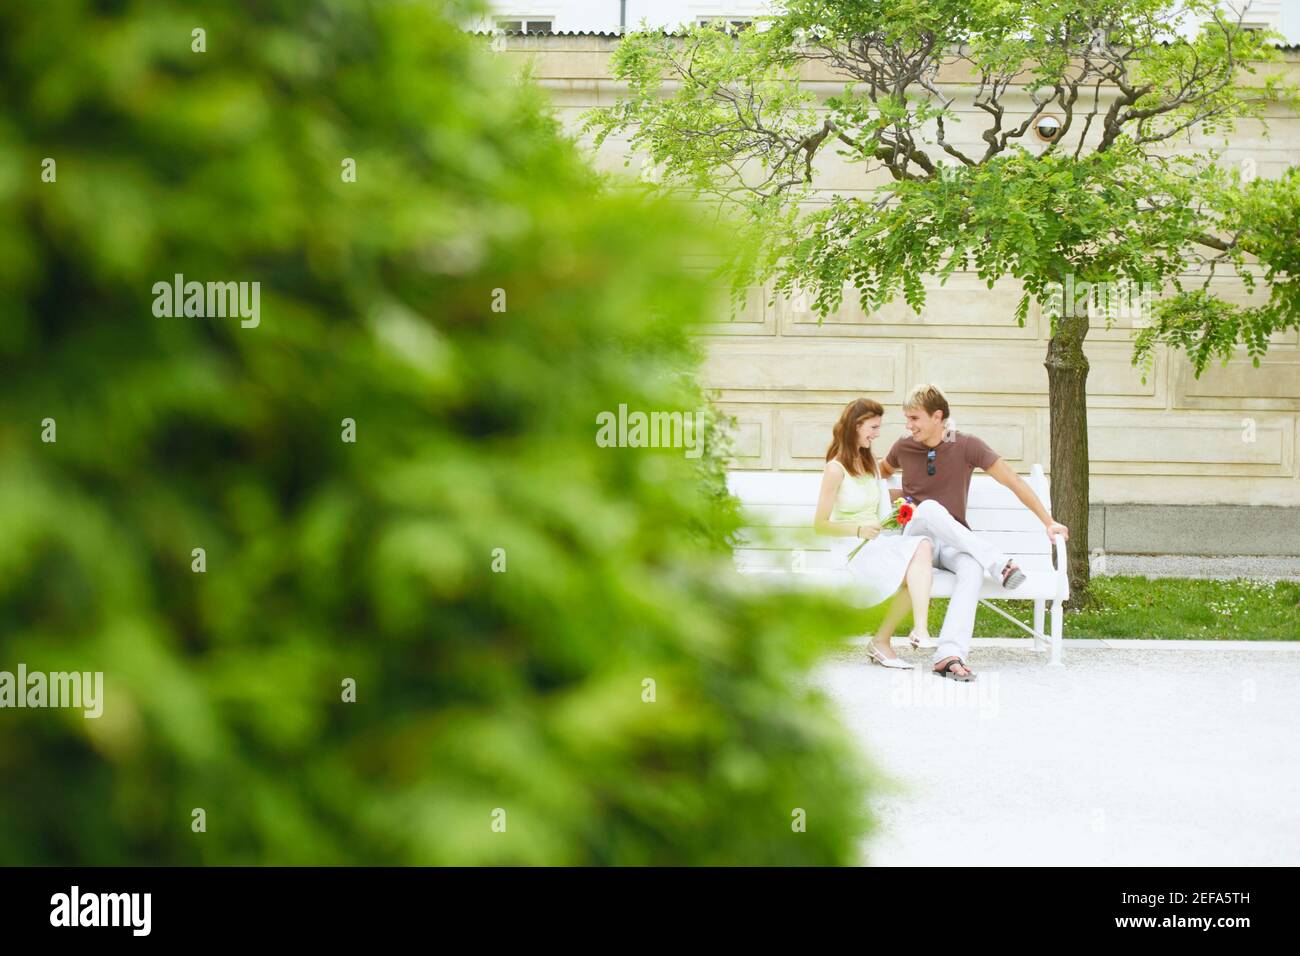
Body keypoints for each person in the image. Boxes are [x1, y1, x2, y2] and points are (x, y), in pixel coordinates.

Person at [881, 384, 1069, 681]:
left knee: (970, 567)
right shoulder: (903, 446)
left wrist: (1049, 521)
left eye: (915, 418)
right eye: (907, 418)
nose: (908, 425)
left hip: (955, 539)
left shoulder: (967, 445)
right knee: (928, 509)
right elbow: (877, 475)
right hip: (918, 543)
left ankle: (949, 655)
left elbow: (1013, 482)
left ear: (937, 416)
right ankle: (998, 562)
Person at [814, 398, 934, 670]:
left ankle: (920, 630)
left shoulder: (868, 463)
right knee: (914, 573)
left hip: (877, 542)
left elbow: (879, 502)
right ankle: (882, 642)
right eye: (873, 427)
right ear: (856, 426)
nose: (877, 433)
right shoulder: (835, 469)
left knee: (923, 547)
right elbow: (820, 524)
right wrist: (858, 530)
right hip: (851, 547)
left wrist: (908, 503)